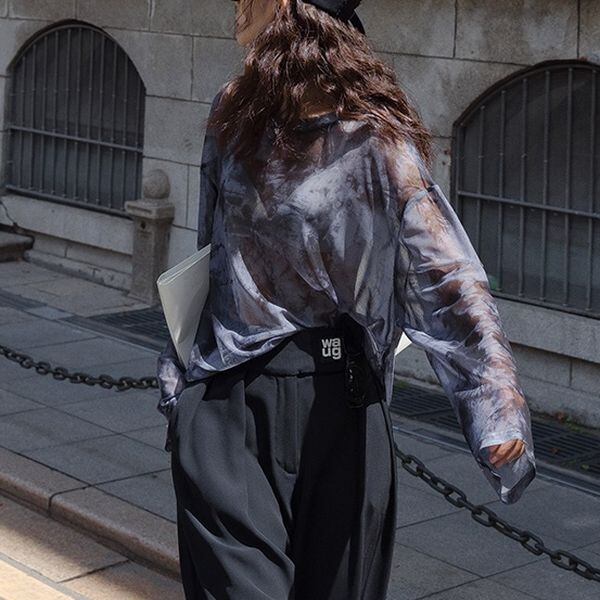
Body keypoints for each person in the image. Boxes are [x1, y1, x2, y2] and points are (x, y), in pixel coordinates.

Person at [156, 0, 537, 598]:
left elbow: (446, 277)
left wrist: (495, 408)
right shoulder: (232, 112)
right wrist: (183, 380)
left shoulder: (375, 141)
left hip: (342, 407)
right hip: (229, 404)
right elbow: (213, 253)